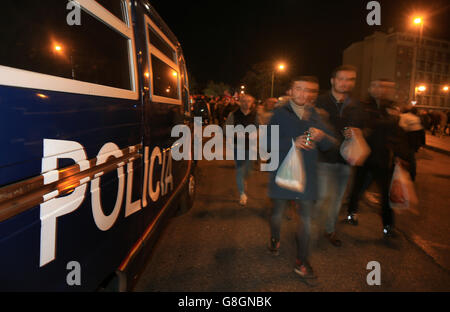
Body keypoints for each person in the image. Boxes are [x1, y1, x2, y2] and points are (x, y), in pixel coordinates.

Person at [267, 76, 334, 280]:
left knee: (307, 220)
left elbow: (330, 145)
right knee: (277, 214)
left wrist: (323, 137)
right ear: (290, 91)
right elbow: (267, 141)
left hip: (307, 176)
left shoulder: (315, 115)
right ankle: (274, 237)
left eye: (310, 91)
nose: (304, 94)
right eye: (299, 89)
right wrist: (292, 143)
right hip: (282, 173)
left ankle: (302, 262)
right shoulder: (279, 113)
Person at [346, 79, 411, 237]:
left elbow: (398, 135)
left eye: (387, 87)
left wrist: (400, 155)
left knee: (386, 192)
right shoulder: (363, 106)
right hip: (364, 154)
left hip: (383, 158)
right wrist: (389, 119)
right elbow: (362, 124)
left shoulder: (392, 108)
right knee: (358, 187)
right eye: (378, 86)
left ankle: (388, 225)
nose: (382, 90)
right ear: (371, 88)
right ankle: (352, 212)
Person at [315, 65, 362, 247]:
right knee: (321, 197)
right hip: (323, 158)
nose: (345, 83)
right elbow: (307, 127)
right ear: (333, 80)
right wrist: (310, 140)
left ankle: (329, 230)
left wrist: (358, 132)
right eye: (342, 78)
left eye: (350, 79)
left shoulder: (356, 105)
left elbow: (365, 127)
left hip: (345, 159)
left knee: (337, 198)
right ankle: (310, 228)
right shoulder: (320, 102)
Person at [225, 94, 258, 205]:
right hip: (238, 147)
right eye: (243, 101)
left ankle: (244, 179)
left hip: (251, 147)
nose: (246, 103)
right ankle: (242, 194)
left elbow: (261, 128)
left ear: (251, 103)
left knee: (248, 171)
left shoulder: (255, 115)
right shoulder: (233, 114)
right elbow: (226, 130)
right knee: (240, 170)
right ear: (239, 102)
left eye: (248, 101)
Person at [399, 106, 424, 181]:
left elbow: (401, 128)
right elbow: (421, 131)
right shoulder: (416, 118)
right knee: (412, 157)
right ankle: (412, 175)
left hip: (406, 139)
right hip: (414, 141)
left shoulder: (402, 116)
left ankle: (401, 175)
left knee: (401, 156)